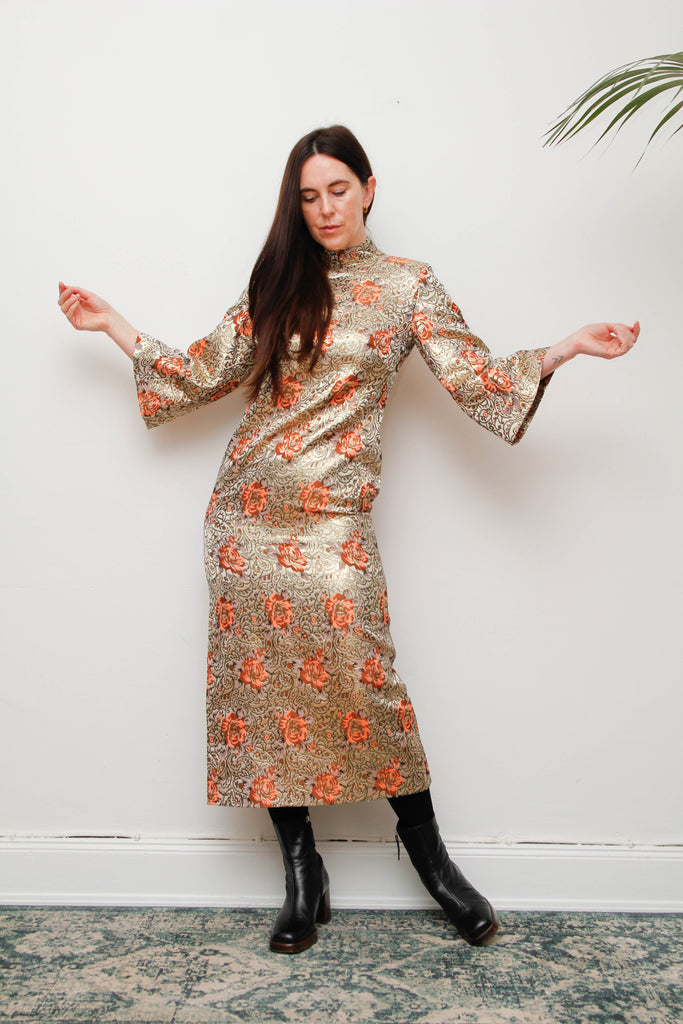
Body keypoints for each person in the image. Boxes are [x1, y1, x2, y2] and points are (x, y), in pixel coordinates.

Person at [58, 125, 638, 954]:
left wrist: (566, 349)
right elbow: (202, 372)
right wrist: (113, 323)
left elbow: (474, 377)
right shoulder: (277, 283)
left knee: (369, 682)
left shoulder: (408, 286)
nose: (325, 208)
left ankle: (433, 862)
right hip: (245, 520)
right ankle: (302, 874)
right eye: (308, 196)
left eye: (338, 189)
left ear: (369, 188)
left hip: (335, 521)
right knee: (262, 692)